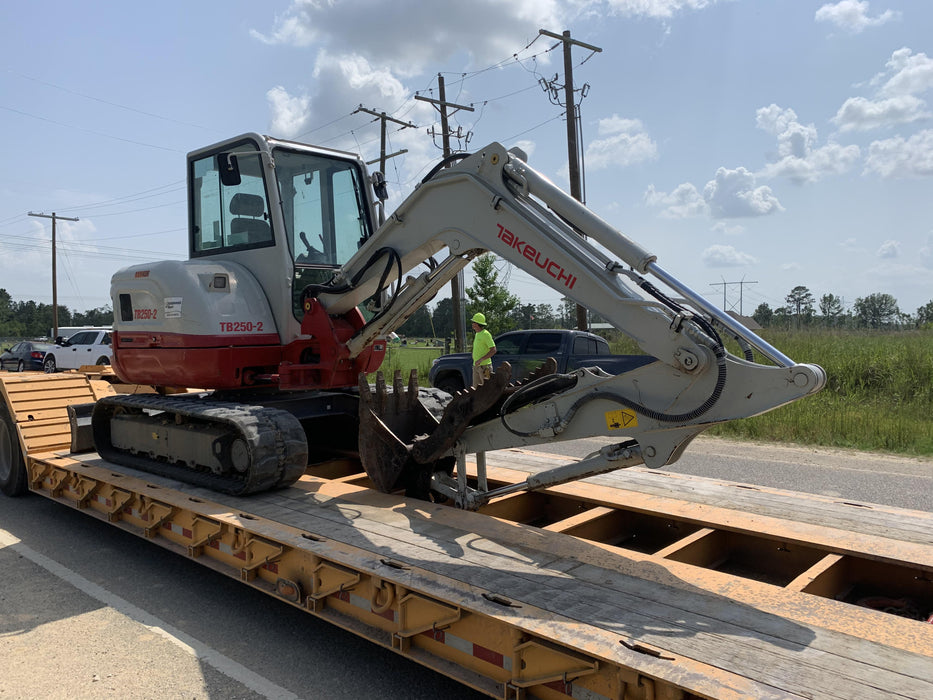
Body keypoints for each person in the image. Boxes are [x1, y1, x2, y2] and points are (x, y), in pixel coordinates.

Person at [470, 312, 496, 387]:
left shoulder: (486, 334)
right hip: (476, 366)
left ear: (477, 323)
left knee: (487, 388)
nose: (472, 324)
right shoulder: (477, 334)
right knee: (476, 389)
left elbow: (493, 350)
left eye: (473, 322)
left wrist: (481, 359)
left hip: (485, 367)